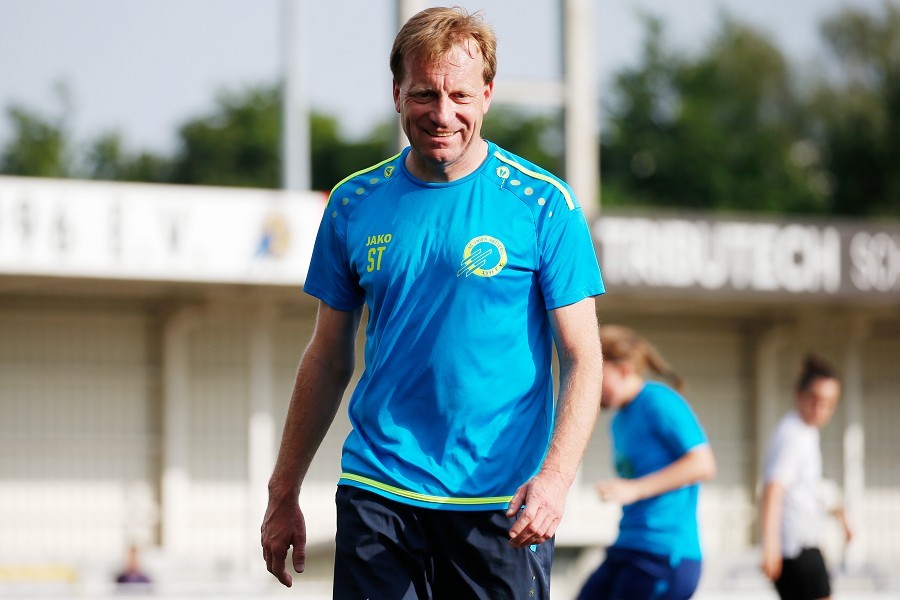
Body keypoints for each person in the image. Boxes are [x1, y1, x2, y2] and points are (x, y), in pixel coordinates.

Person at [260, 6, 605, 598]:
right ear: (396, 93)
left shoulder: (545, 205)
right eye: (424, 94)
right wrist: (283, 490)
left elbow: (583, 357)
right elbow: (327, 357)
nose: (443, 114)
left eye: (460, 95)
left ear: (487, 94)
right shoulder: (352, 203)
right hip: (380, 490)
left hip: (501, 502)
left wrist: (555, 479)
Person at [577, 325, 717, 600]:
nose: (589, 384)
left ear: (623, 370)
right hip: (628, 545)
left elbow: (703, 464)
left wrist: (635, 489)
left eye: (597, 374)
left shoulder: (659, 401)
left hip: (664, 552)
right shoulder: (619, 420)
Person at [760, 354, 852, 600]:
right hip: (795, 546)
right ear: (799, 395)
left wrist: (842, 518)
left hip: (804, 544)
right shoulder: (793, 433)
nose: (820, 409)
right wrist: (770, 546)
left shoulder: (807, 433)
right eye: (815, 399)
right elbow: (774, 488)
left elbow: (810, 490)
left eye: (829, 403)